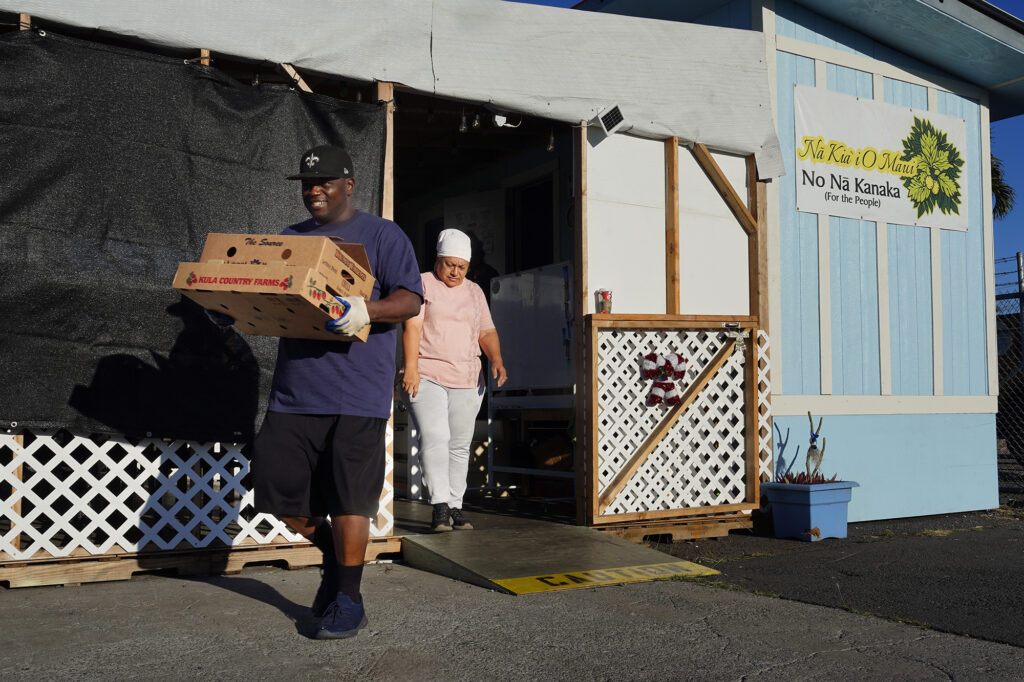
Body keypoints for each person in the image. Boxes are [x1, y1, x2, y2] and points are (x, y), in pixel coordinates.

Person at [213, 145, 422, 640]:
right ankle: (335, 562)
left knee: (351, 500)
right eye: (307, 184)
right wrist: (231, 306)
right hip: (294, 392)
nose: (314, 191)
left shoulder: (382, 235)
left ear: (349, 184)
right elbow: (267, 296)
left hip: (357, 392)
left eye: (325, 182)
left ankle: (349, 598)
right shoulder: (290, 240)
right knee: (285, 498)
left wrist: (366, 310)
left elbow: (411, 298)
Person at [400, 228, 507, 532]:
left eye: (462, 267)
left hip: (468, 376)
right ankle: (439, 507)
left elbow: (486, 331)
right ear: (438, 260)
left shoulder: (474, 291)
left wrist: (496, 360)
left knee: (460, 444)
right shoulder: (422, 282)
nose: (455, 272)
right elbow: (413, 327)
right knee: (435, 437)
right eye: (450, 265)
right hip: (428, 373)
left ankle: (457, 506)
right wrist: (410, 368)